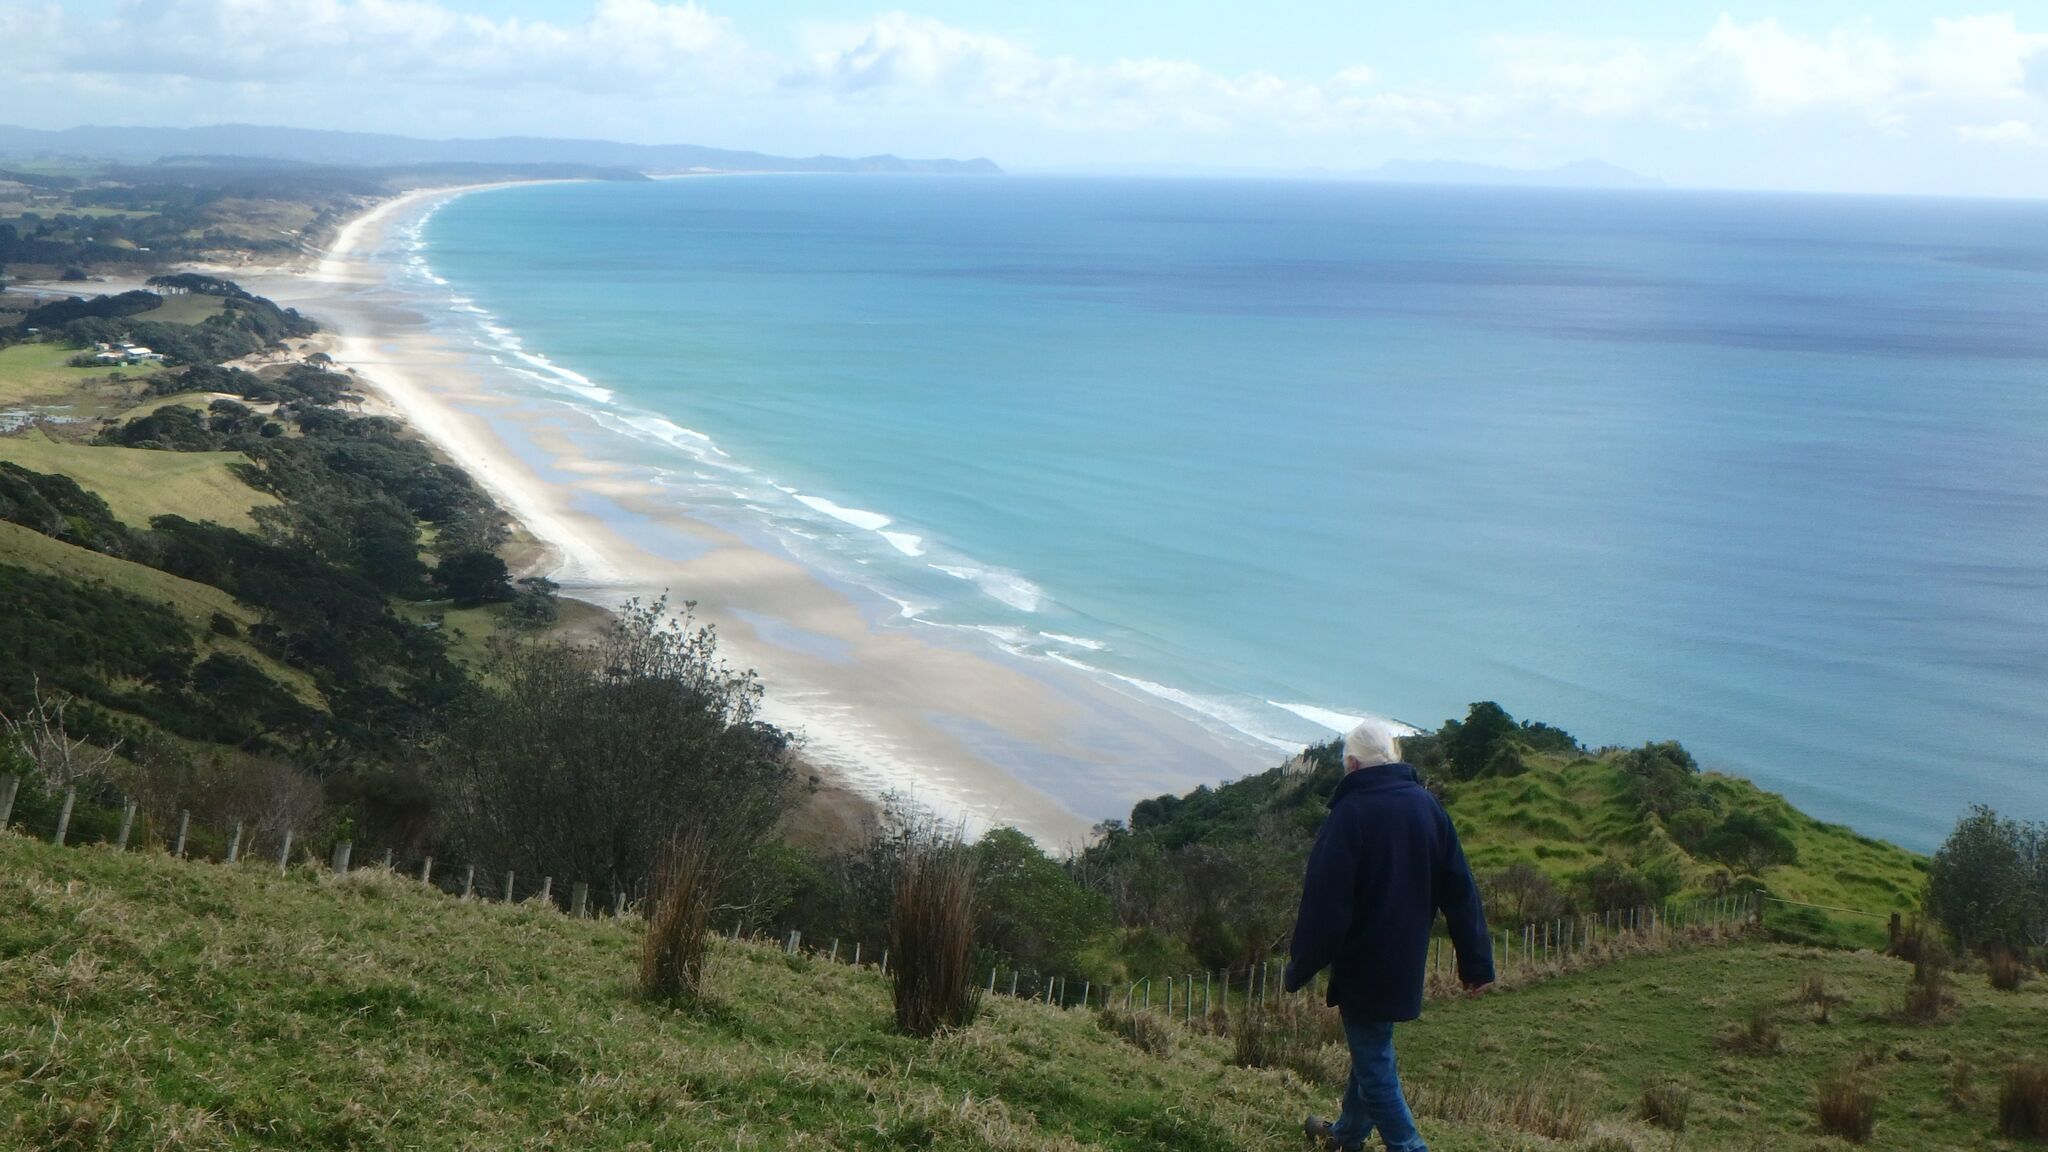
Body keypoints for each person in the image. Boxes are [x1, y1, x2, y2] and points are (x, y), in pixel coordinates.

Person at [1283, 718, 1493, 1152]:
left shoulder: (1351, 813)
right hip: (1405, 960)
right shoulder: (1427, 806)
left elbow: (1325, 902)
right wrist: (1476, 963)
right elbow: (1461, 890)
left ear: (1354, 764)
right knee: (1371, 1049)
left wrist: (1300, 965)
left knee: (1375, 1063)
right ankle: (1345, 1137)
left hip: (1364, 962)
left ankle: (1410, 1147)